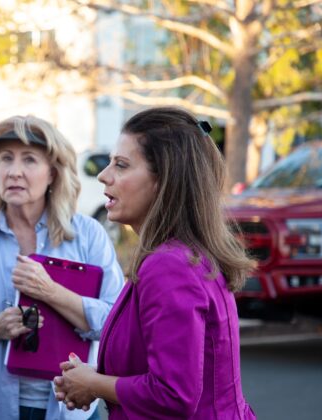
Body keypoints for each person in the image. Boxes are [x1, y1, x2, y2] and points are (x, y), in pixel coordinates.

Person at [53, 107, 257, 419]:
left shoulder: (170, 266)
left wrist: (94, 384)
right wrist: (92, 379)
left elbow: (173, 395)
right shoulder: (181, 254)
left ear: (163, 181)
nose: (103, 175)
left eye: (121, 165)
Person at [0, 115, 125, 420]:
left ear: (53, 173)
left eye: (29, 160)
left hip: (68, 412)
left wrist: (51, 292)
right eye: (5, 159)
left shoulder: (88, 235)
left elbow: (118, 323)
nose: (14, 171)